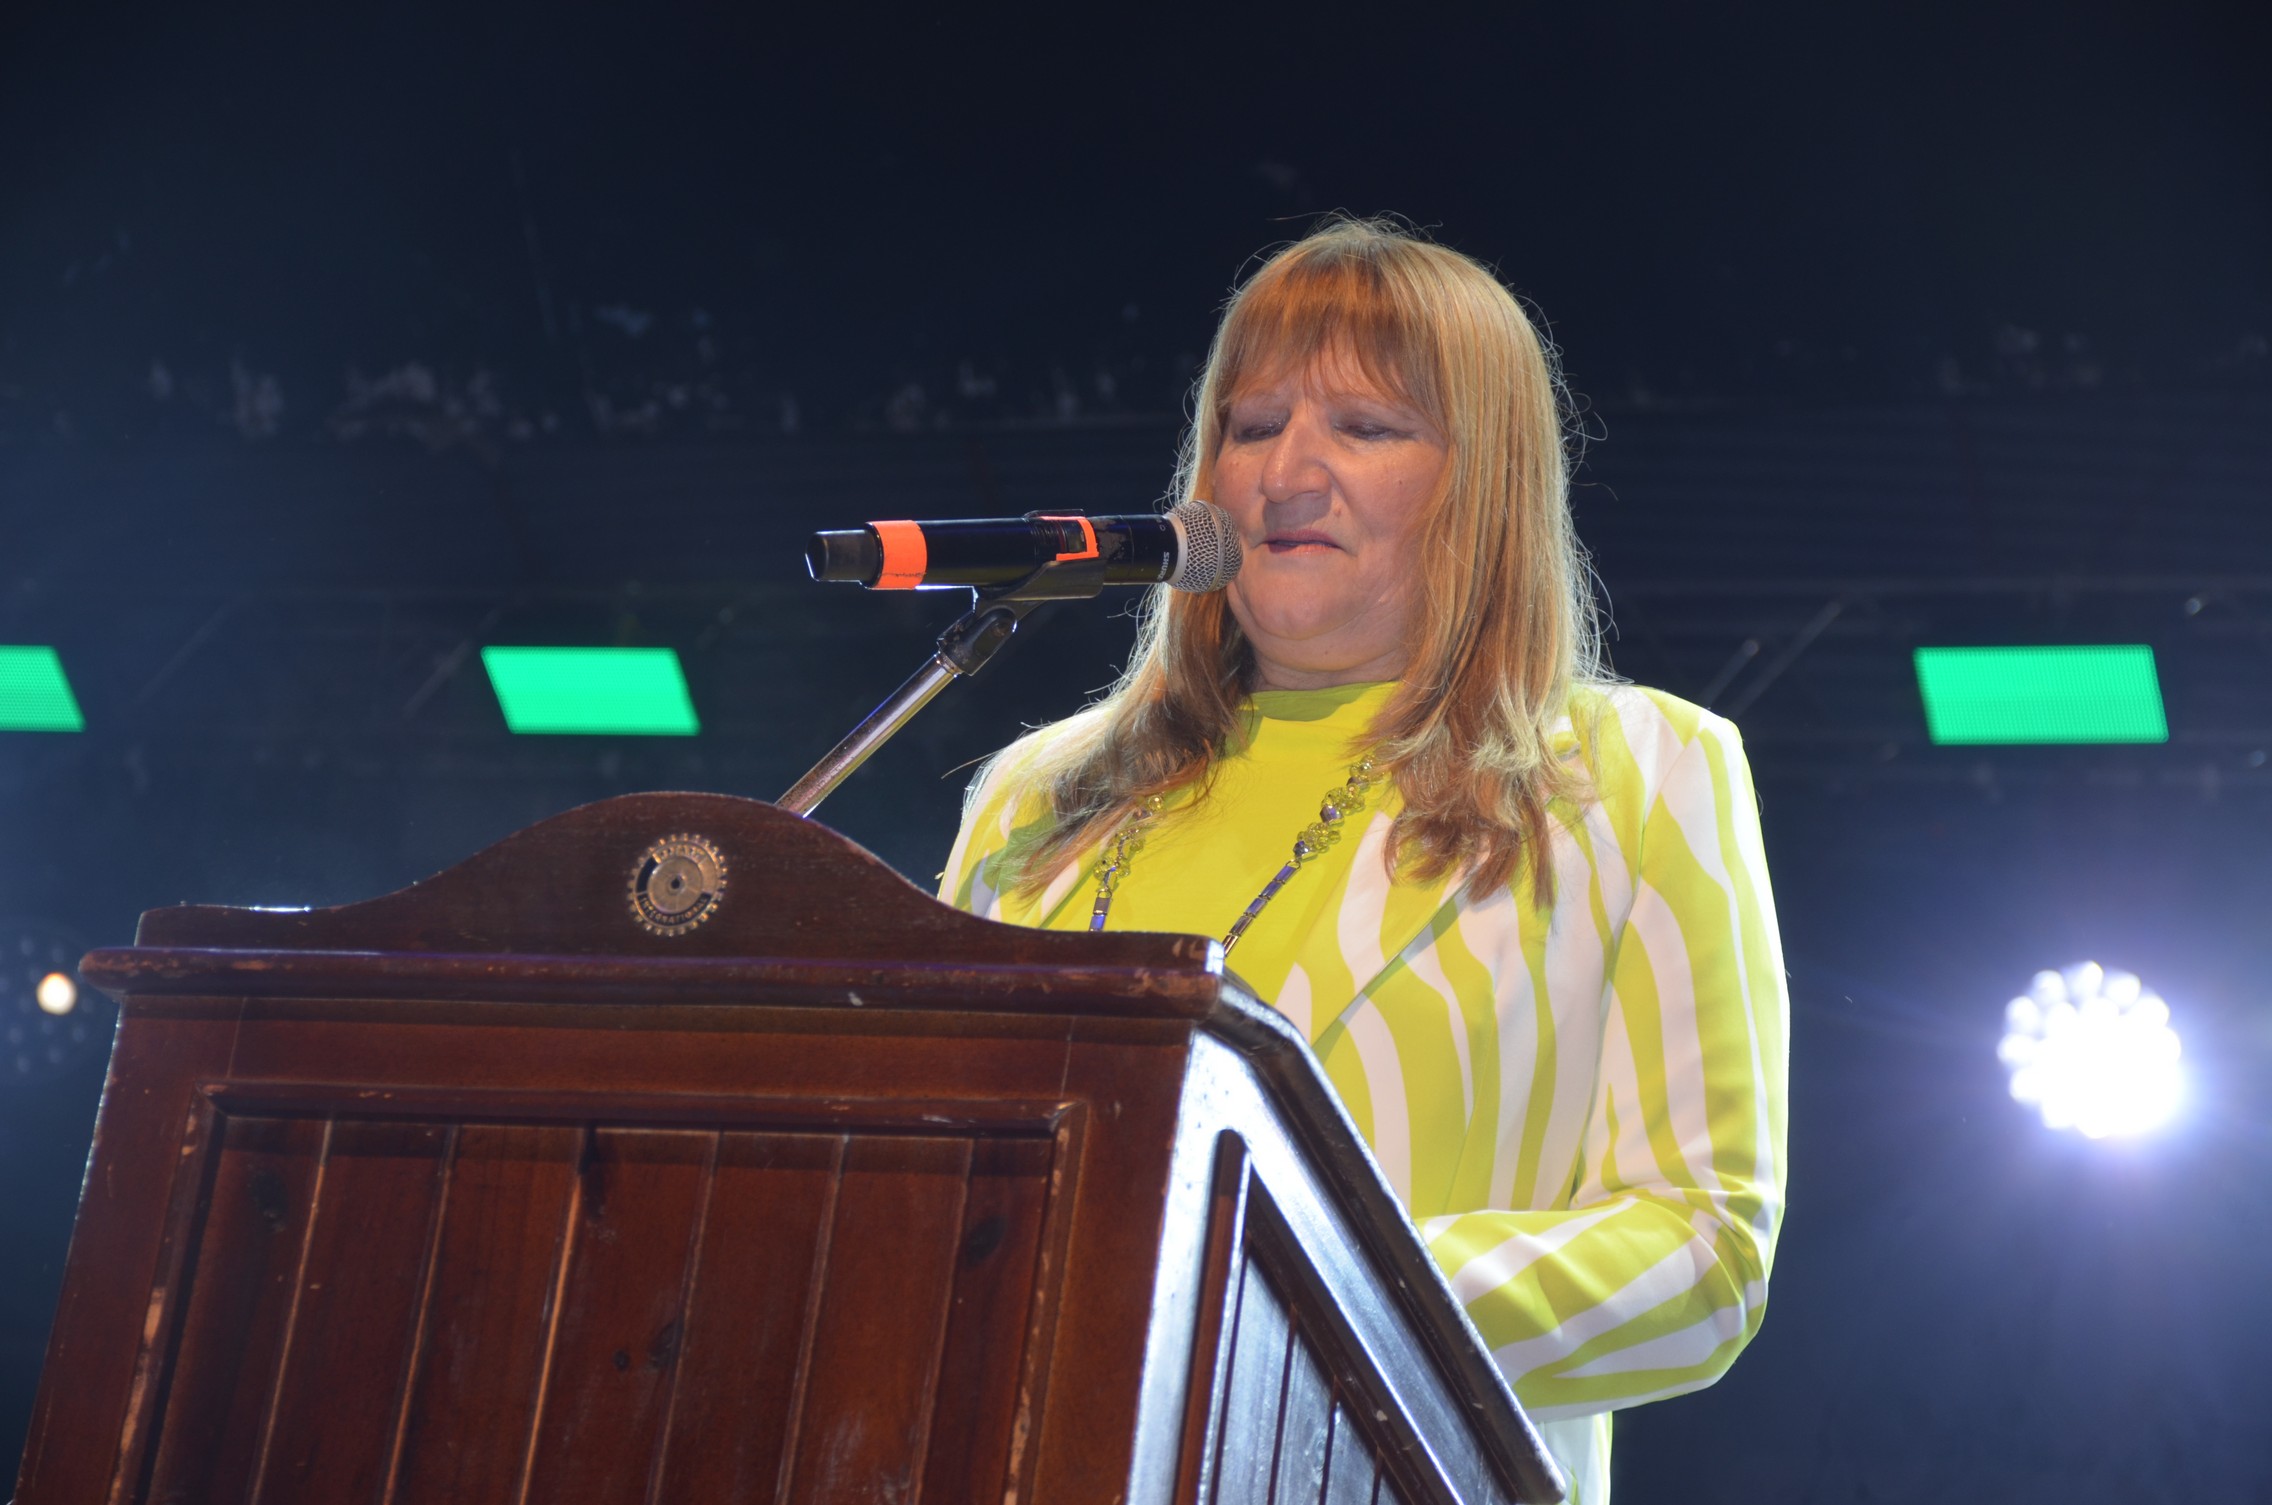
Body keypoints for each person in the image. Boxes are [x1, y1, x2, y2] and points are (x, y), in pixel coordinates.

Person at [940, 217, 1787, 1504]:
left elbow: (1701, 1255)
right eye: (1253, 420)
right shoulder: (1036, 795)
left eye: (1367, 428)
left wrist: (1293, 1283)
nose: (1288, 468)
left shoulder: (1634, 770)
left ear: (1482, 481)